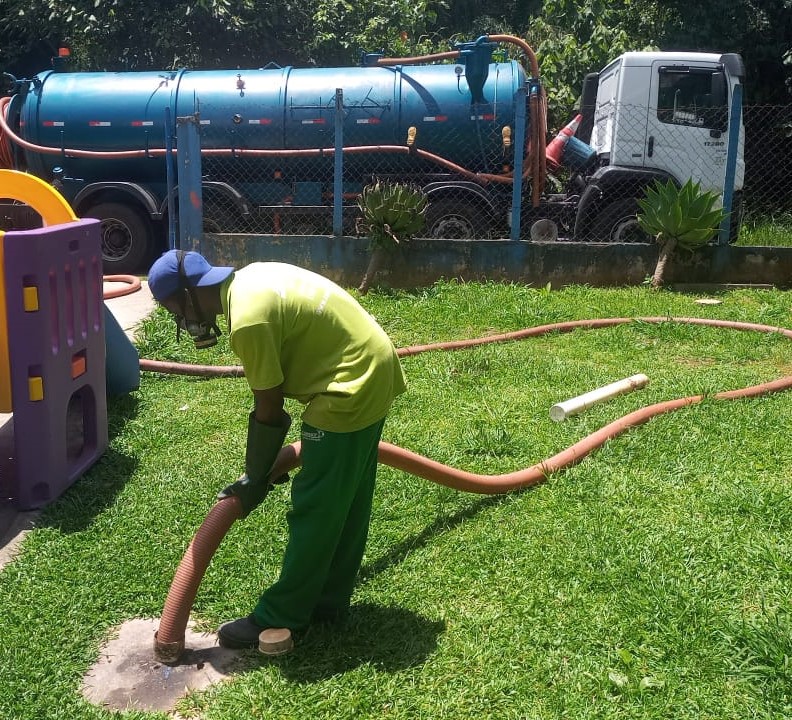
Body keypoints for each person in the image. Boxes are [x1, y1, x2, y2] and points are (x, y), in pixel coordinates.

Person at [147, 249, 406, 649]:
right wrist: (262, 470)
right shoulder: (252, 278)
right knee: (347, 499)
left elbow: (269, 407)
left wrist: (255, 476)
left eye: (173, 309)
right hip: (375, 367)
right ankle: (328, 601)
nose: (180, 320)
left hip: (347, 389)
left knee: (316, 508)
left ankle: (285, 613)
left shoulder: (247, 320)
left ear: (188, 294)